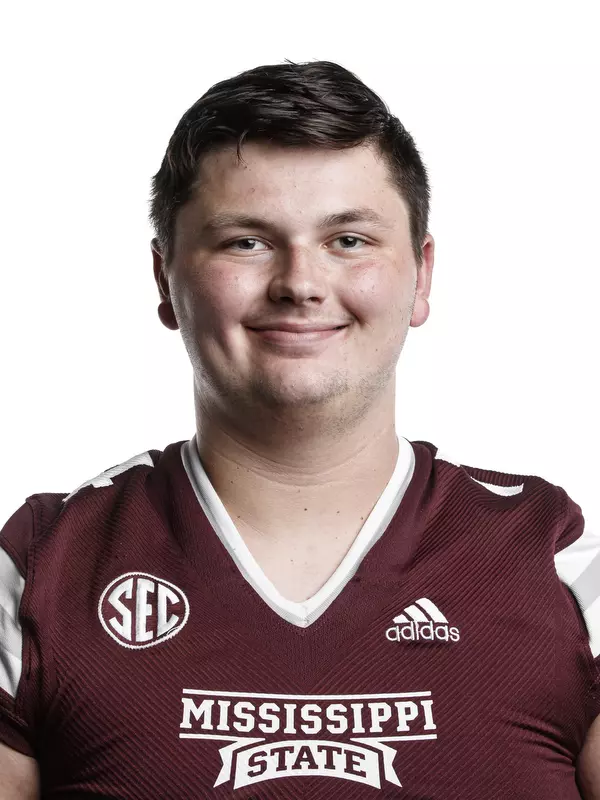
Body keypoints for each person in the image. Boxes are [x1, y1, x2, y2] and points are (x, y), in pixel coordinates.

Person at [0, 59, 598, 799]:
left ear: (422, 273)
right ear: (165, 279)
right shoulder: (39, 570)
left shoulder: (562, 565)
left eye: (348, 239)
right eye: (246, 242)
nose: (300, 283)